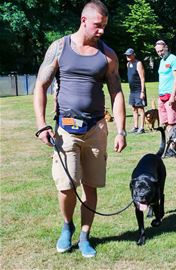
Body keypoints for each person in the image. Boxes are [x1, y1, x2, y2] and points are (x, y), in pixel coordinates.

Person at [33, 0, 127, 257]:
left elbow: (117, 91)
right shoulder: (60, 48)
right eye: (98, 25)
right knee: (66, 185)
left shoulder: (107, 55)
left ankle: (85, 235)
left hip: (96, 128)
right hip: (66, 129)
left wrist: (121, 130)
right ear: (84, 20)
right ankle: (67, 226)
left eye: (104, 26)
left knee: (91, 185)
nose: (102, 31)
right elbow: (41, 85)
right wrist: (42, 125)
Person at [154, 40, 176, 132]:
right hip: (161, 95)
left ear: (166, 48)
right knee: (164, 122)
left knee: (172, 122)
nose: (160, 53)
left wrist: (173, 96)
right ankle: (171, 142)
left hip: (170, 95)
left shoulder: (174, 59)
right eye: (158, 52)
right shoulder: (162, 61)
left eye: (161, 50)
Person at [124, 48, 147, 134]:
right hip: (132, 91)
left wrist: (142, 91)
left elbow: (142, 78)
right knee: (134, 108)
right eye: (127, 55)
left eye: (129, 55)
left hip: (139, 90)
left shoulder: (138, 63)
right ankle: (135, 127)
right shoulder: (128, 64)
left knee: (140, 108)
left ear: (134, 55)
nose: (128, 56)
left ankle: (142, 128)